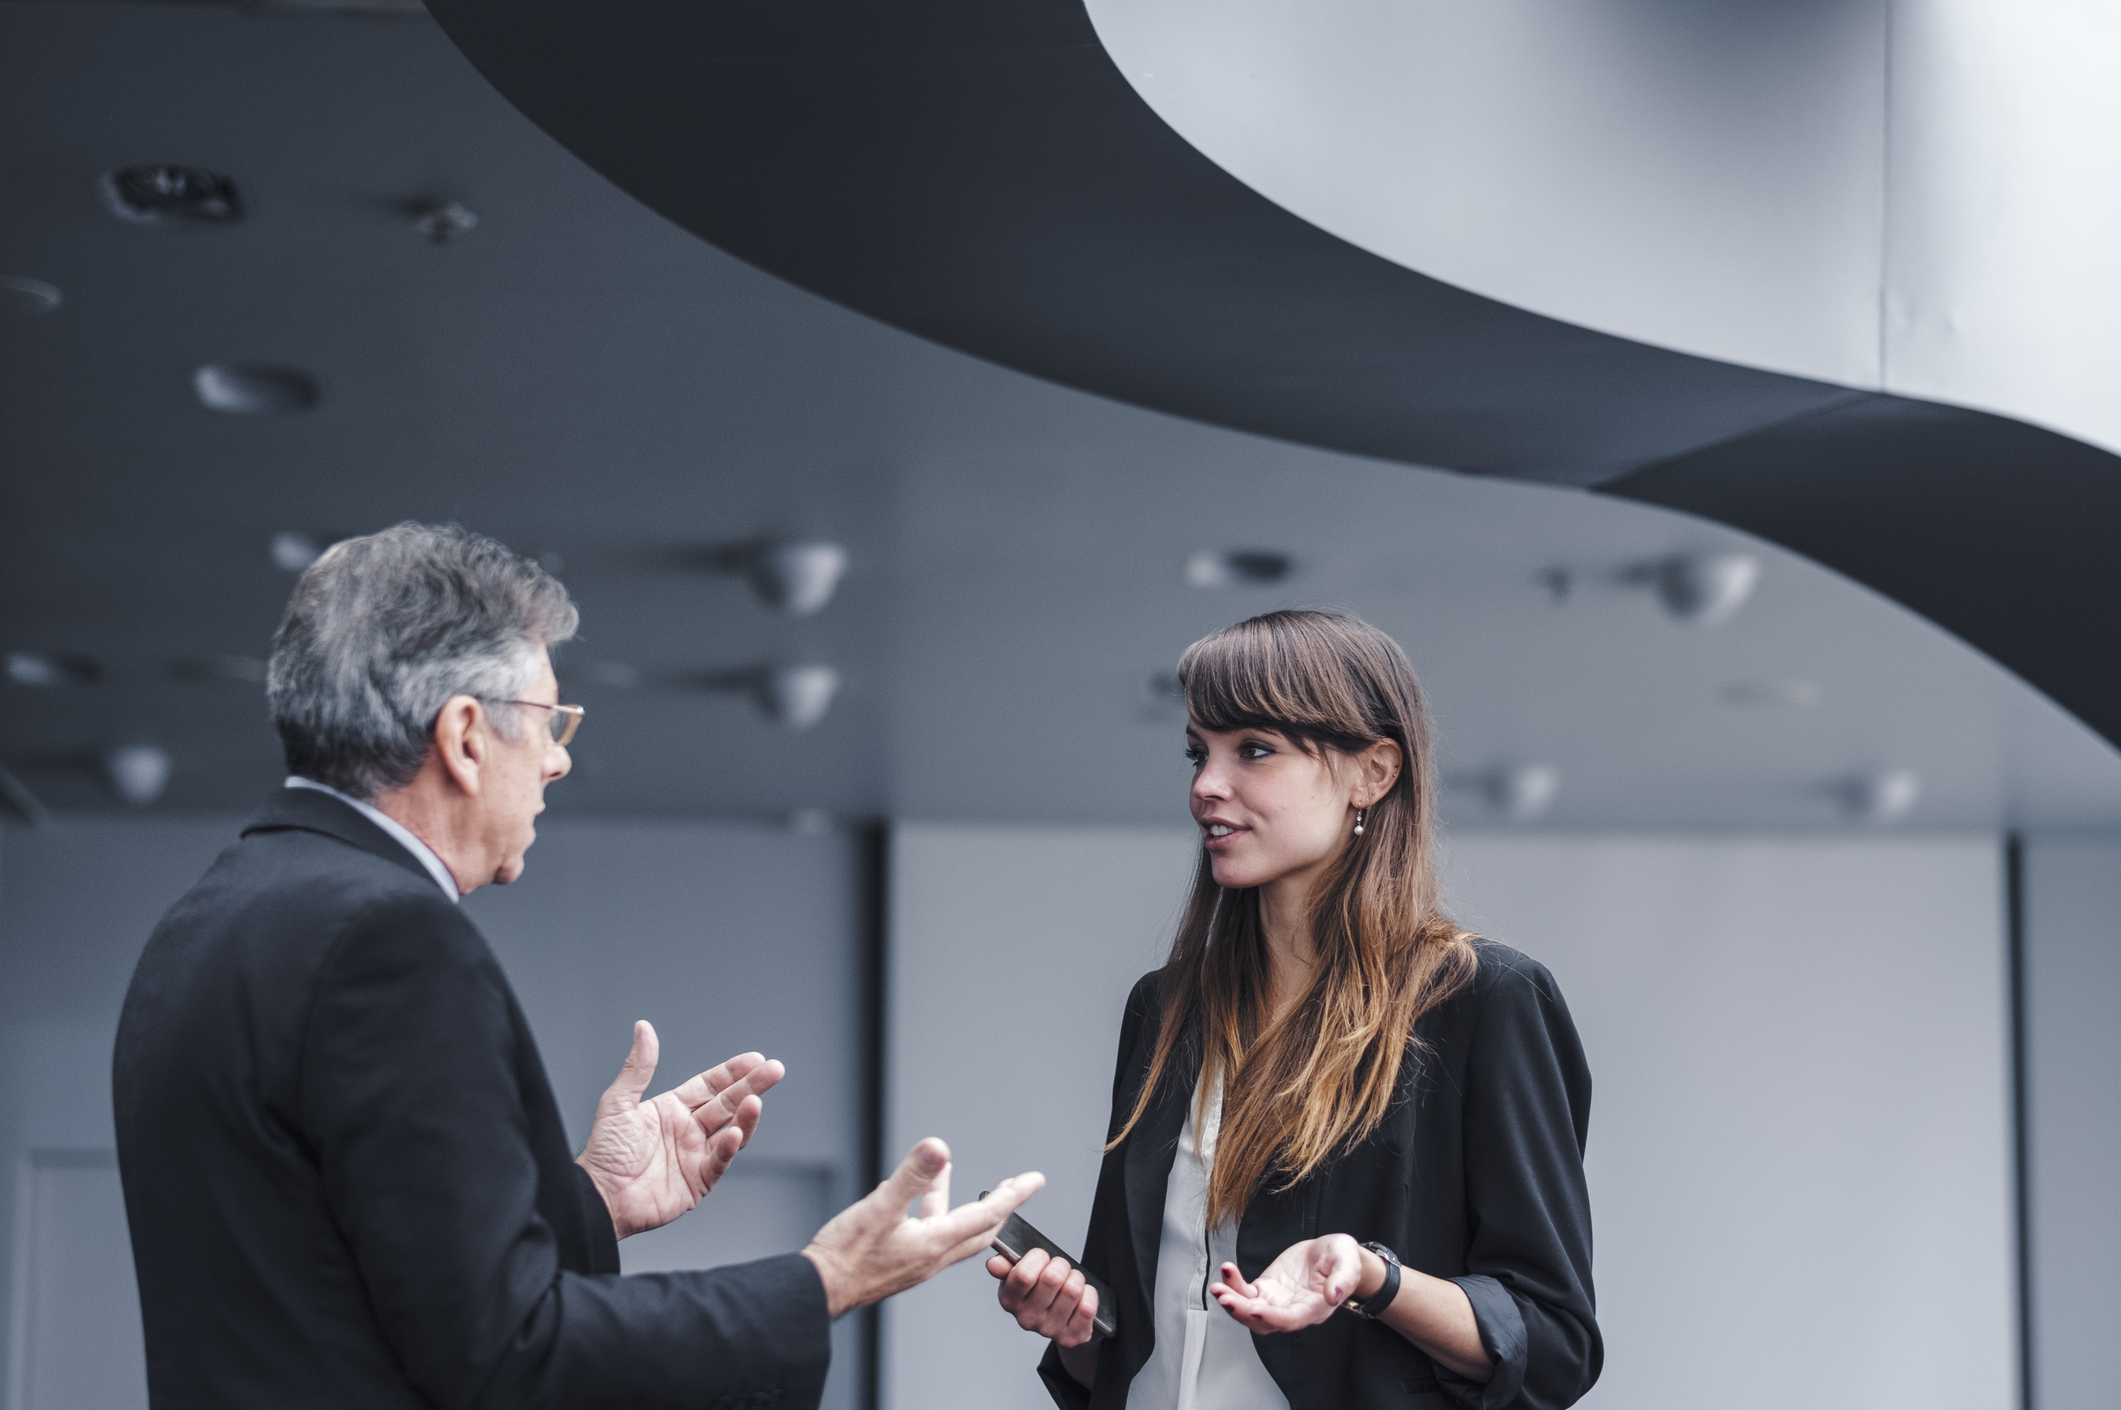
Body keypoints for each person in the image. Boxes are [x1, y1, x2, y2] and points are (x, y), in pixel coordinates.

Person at [113, 522, 1041, 1410]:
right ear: (466, 736)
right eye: (549, 722)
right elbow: (507, 1357)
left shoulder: (209, 919)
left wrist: (593, 1200)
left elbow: (347, 1279)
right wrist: (823, 1282)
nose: (558, 761)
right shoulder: (390, 942)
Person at [988, 610, 1599, 1410]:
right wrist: (1073, 1324)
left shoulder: (1481, 998)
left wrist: (1370, 1276)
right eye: (1197, 753)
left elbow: (1551, 1344)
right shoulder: (1164, 1009)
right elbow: (1126, 1357)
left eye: (1254, 750)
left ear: (1373, 773)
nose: (1206, 785)